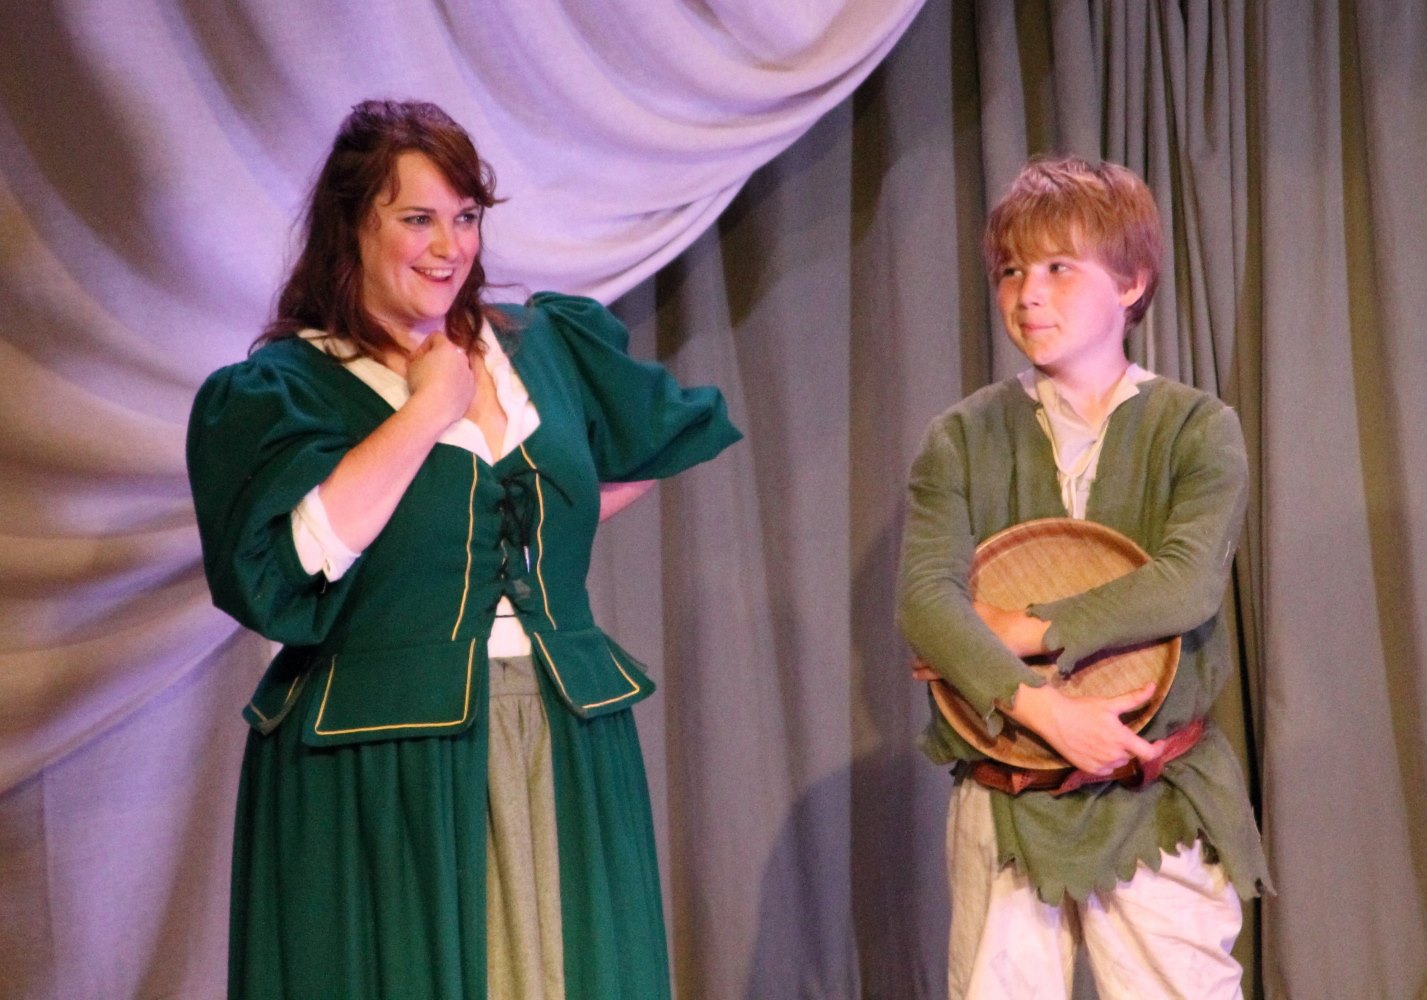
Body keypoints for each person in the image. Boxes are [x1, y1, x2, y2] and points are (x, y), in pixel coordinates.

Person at [187, 99, 740, 1000]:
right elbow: (291, 569)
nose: (449, 246)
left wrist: (538, 526)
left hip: (561, 723)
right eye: (417, 218)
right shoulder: (287, 387)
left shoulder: (538, 344)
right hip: (383, 753)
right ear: (351, 227)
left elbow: (644, 449)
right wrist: (428, 410)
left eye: (466, 216)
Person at [896, 156, 1270, 1000]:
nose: (1028, 294)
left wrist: (1018, 630)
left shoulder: (1195, 429)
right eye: (1010, 271)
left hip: (1154, 792)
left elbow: (1183, 584)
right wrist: (1045, 711)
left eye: (1059, 268)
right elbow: (925, 602)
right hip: (1005, 795)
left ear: (1130, 282)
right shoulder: (960, 437)